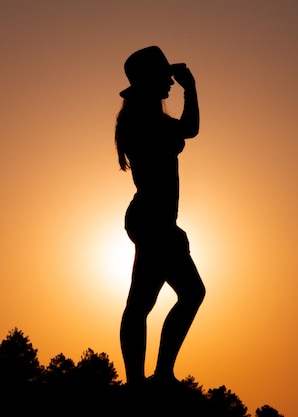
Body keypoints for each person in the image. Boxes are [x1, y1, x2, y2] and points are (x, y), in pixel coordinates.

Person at [115, 46, 205, 388]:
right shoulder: (145, 120)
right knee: (188, 293)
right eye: (165, 77)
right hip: (153, 220)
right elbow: (191, 129)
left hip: (153, 220)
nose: (170, 82)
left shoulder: (142, 118)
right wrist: (191, 87)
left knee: (141, 303)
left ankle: (144, 380)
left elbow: (185, 131)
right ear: (150, 82)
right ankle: (155, 376)